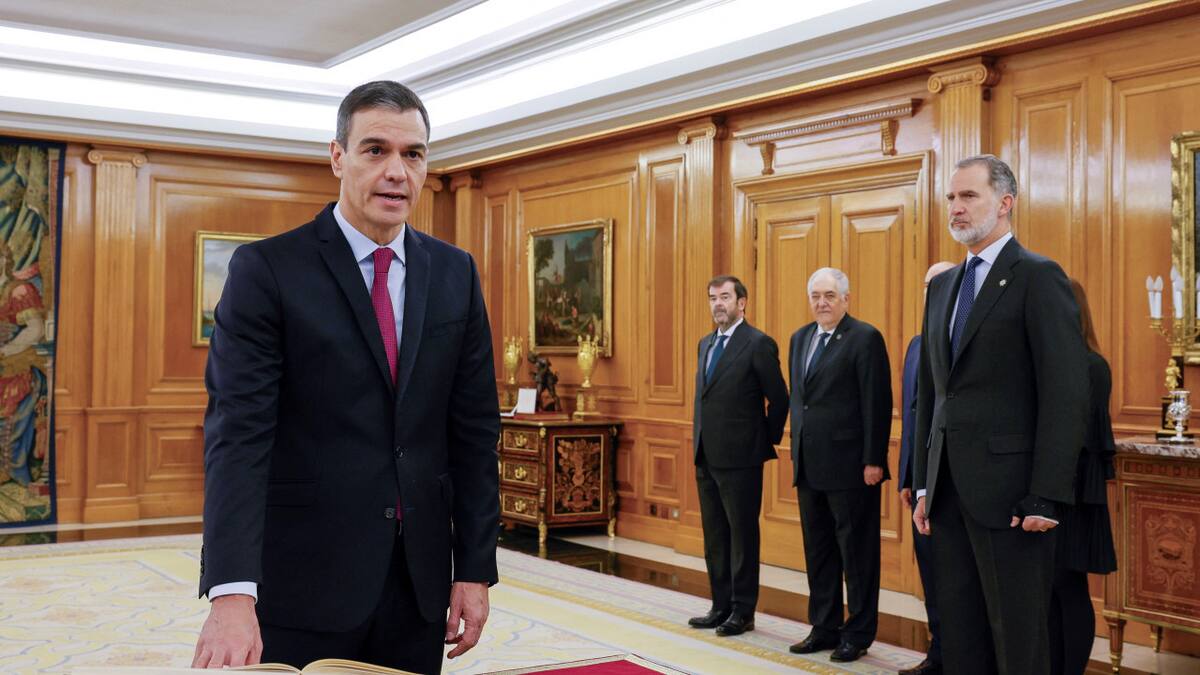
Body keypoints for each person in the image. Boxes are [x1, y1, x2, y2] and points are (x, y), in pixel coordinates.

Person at [193, 81, 500, 673]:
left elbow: (473, 431)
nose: (396, 172)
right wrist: (232, 591)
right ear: (337, 156)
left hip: (419, 586)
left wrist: (474, 569)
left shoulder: (456, 272)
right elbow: (238, 438)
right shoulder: (268, 271)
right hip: (304, 579)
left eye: (413, 154)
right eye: (375, 150)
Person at [913, 154, 1088, 674]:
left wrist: (1049, 493)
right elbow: (934, 391)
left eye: (969, 197)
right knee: (962, 639)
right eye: (951, 198)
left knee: (1018, 642)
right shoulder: (943, 287)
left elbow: (1065, 392)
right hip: (947, 496)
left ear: (1005, 203)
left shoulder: (1038, 276)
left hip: (1014, 498)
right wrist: (925, 484)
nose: (957, 208)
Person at [786, 267, 892, 663]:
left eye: (830, 295)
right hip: (809, 465)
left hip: (851, 467)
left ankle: (859, 632)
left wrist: (873, 460)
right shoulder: (800, 338)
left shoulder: (864, 338)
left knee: (857, 554)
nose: (822, 302)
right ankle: (824, 626)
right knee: (819, 551)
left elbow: (876, 403)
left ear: (846, 299)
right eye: (816, 295)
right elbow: (803, 401)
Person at [688, 275, 788, 637]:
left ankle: (743, 611)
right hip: (706, 455)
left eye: (725, 297)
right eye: (713, 297)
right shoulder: (705, 344)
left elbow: (780, 399)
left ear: (741, 302)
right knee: (715, 535)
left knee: (742, 536)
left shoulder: (758, 343)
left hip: (743, 458)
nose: (718, 304)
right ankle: (720, 605)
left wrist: (762, 442)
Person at [1049, 279, 1117, 675]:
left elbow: (1081, 436)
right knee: (1051, 589)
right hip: (1056, 488)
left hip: (1074, 492)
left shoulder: (1091, 365)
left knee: (1069, 586)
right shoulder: (1059, 360)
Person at [896, 261, 954, 675]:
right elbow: (912, 415)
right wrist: (908, 477)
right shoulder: (917, 343)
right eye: (927, 286)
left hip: (954, 483)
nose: (932, 292)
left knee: (957, 582)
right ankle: (937, 655)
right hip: (921, 485)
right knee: (931, 578)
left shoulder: (961, 340)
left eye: (941, 284)